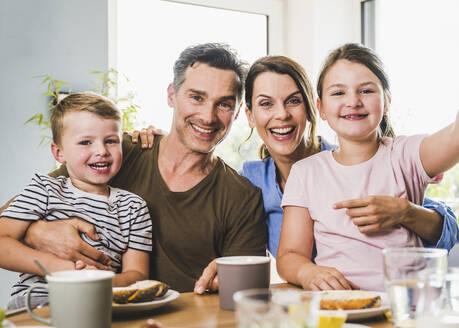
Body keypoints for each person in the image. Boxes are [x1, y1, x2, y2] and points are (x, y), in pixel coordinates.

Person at [134, 55, 458, 294]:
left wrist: (407, 213)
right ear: (248, 115)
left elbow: (443, 231)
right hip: (326, 303)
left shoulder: (376, 155)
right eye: (265, 104)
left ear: (311, 108)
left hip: (404, 298)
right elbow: (280, 255)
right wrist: (159, 141)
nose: (281, 115)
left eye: (293, 101)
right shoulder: (249, 182)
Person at [2, 43, 267, 293]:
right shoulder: (118, 153)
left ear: (236, 111)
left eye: (223, 103)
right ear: (171, 96)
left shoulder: (243, 197)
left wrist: (228, 280)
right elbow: (15, 213)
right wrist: (38, 231)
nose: (208, 117)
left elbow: (247, 293)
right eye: (196, 97)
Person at [277, 43, 459, 291]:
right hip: (341, 309)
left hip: (406, 308)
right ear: (320, 108)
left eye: (366, 91)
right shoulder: (306, 172)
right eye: (338, 93)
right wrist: (309, 273)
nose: (353, 101)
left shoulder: (406, 155)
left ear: (386, 103)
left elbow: (454, 137)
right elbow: (289, 255)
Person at [0, 92, 152, 310]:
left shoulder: (134, 207)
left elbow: (137, 275)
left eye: (110, 141)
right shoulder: (44, 189)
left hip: (102, 302)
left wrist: (95, 283)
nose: (101, 151)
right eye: (85, 142)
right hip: (40, 301)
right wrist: (60, 269)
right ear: (59, 153)